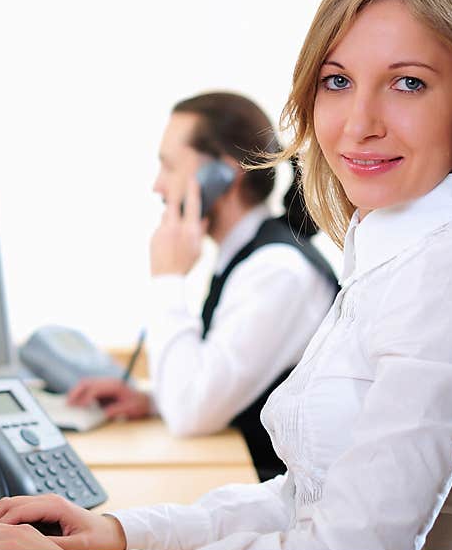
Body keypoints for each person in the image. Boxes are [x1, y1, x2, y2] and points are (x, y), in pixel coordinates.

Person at [0, 0, 452, 550]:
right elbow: (305, 499)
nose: (359, 123)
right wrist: (118, 531)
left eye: (408, 83)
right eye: (337, 82)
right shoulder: (386, 257)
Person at [67, 92, 339, 481]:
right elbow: (213, 388)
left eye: (169, 166)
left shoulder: (276, 272)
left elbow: (190, 415)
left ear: (223, 175)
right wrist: (151, 400)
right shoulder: (249, 259)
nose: (157, 186)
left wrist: (168, 279)